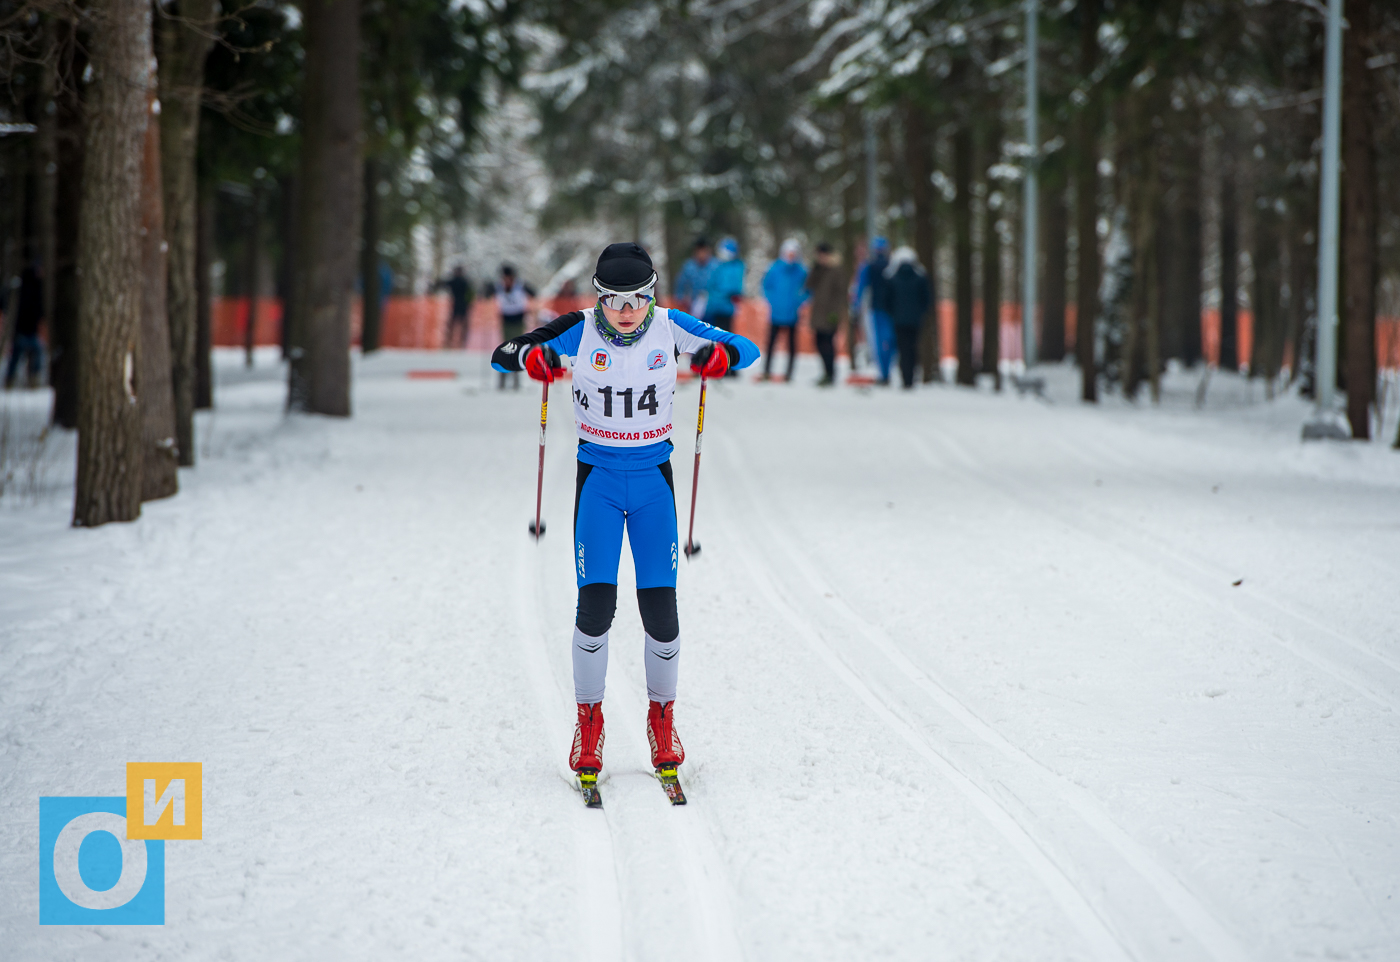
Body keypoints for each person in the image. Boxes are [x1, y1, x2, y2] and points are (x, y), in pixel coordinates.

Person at [490, 242, 759, 781]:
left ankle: (663, 718)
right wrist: (532, 357)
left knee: (661, 610)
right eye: (615, 300)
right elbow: (507, 349)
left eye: (639, 298)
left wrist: (719, 356)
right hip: (601, 483)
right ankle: (589, 723)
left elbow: (746, 348)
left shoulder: (671, 326)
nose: (628, 310)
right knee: (596, 608)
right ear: (599, 298)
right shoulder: (580, 328)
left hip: (654, 484)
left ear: (653, 295)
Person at [760, 238, 808, 382]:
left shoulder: (801, 271)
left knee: (792, 344)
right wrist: (772, 301)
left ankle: (789, 373)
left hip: (792, 313)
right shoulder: (774, 268)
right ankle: (767, 371)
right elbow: (765, 286)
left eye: (793, 253)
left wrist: (799, 302)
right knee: (771, 343)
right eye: (789, 253)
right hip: (776, 313)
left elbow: (808, 290)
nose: (791, 256)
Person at [885, 246, 930, 389]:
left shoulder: (892, 279)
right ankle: (912, 377)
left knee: (902, 349)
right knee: (913, 347)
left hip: (898, 321)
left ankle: (905, 377)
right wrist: (920, 313)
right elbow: (926, 299)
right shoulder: (920, 278)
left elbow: (886, 300)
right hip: (915, 321)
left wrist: (893, 313)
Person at [852, 236, 894, 385]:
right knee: (889, 341)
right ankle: (886, 372)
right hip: (889, 310)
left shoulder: (869, 266)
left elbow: (860, 288)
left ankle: (884, 373)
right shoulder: (892, 265)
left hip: (878, 309)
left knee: (879, 342)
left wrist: (855, 307)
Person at [805, 242, 846, 386]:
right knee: (818, 342)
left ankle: (831, 373)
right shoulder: (819, 270)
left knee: (828, 344)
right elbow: (808, 285)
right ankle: (826, 372)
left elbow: (840, 293)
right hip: (818, 313)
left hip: (830, 314)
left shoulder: (836, 270)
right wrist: (815, 270)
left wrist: (835, 312)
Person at [490, 264, 534, 390]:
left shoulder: (520, 286)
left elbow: (533, 293)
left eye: (508, 278)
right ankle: (502, 378)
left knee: (517, 348)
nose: (507, 281)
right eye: (505, 278)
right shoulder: (499, 286)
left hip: (518, 320)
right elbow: (487, 293)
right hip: (506, 320)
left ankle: (516, 379)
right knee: (505, 348)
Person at [4, 261, 44, 390]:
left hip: (29, 332)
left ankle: (30, 378)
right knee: (17, 356)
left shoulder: (35, 290)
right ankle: (13, 380)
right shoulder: (22, 292)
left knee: (34, 353)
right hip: (22, 332)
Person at [702, 237, 745, 335]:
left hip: (726, 307)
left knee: (725, 333)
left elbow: (734, 287)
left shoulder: (736, 266)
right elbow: (709, 283)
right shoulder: (715, 264)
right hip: (713, 307)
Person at [672, 237, 713, 318]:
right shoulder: (688, 266)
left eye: (704, 251)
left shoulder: (715, 266)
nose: (701, 254)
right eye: (699, 251)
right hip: (692, 308)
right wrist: (683, 298)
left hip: (712, 309)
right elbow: (680, 285)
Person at [436, 265, 474, 349]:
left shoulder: (456, 281)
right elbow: (471, 294)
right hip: (462, 307)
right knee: (460, 326)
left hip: (456, 306)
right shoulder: (465, 282)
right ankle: (461, 344)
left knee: (453, 326)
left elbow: (444, 284)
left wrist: (438, 282)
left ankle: (449, 343)